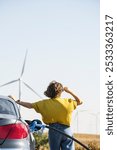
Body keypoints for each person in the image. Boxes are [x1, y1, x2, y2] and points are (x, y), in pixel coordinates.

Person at [9, 81, 83, 150]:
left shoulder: (44, 103)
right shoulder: (68, 102)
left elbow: (29, 105)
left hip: (54, 130)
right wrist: (68, 91)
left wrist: (16, 101)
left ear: (49, 92)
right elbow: (80, 101)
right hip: (67, 130)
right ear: (61, 91)